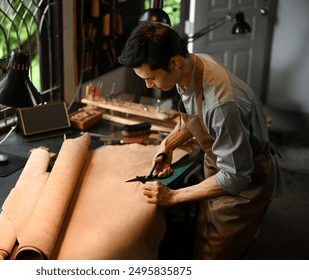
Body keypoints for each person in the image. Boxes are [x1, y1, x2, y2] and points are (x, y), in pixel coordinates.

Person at [118, 22, 284, 259]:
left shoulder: (222, 104)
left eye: (151, 78)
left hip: (243, 185)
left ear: (174, 62)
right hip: (218, 169)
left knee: (215, 256)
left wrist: (172, 196)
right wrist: (168, 145)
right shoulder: (192, 64)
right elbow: (196, 115)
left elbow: (236, 175)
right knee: (202, 235)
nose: (148, 85)